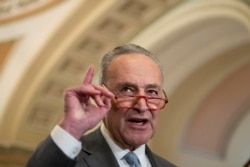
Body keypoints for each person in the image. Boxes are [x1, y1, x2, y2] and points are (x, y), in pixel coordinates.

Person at [26, 44, 177, 167]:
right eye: (127, 90)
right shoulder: (69, 159)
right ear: (102, 94)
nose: (142, 106)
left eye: (151, 92)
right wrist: (71, 128)